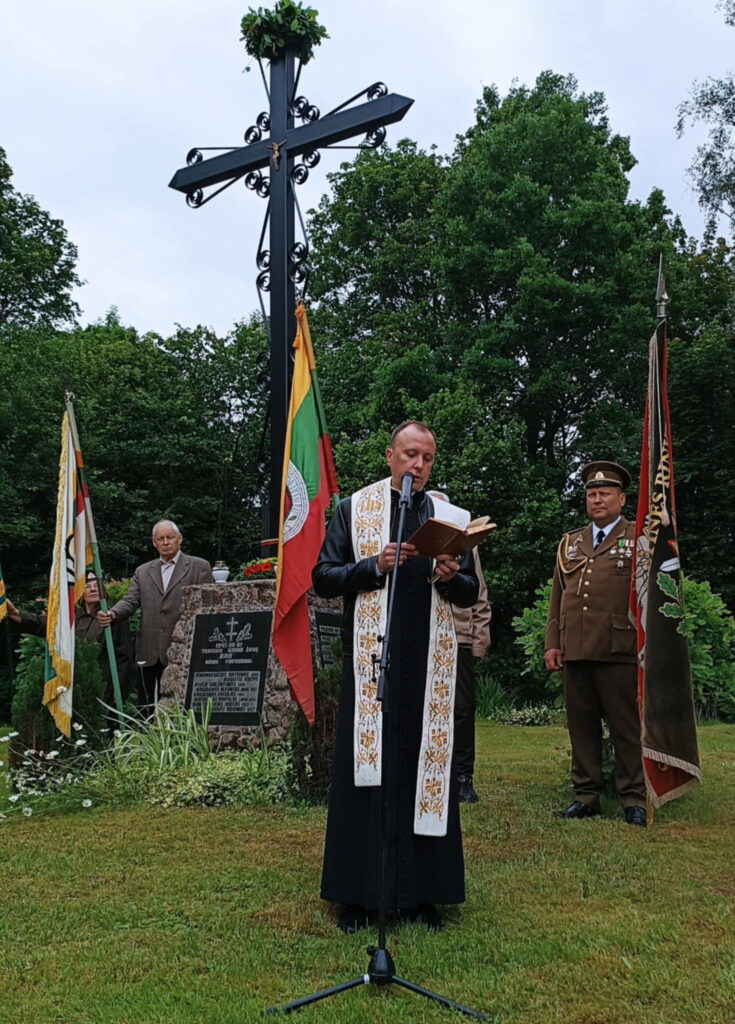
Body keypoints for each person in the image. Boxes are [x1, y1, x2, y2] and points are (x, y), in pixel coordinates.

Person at [312, 421, 479, 933]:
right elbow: (323, 578)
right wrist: (372, 566)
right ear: (389, 456)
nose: (418, 466)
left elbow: (471, 591)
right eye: (409, 455)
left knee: (420, 773)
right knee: (369, 778)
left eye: (427, 458)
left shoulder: (449, 516)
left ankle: (424, 894)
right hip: (370, 669)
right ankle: (359, 899)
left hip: (429, 667)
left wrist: (453, 577)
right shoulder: (353, 510)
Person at [544, 461, 646, 827]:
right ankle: (585, 795)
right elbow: (558, 596)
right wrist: (553, 642)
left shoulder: (639, 538)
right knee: (581, 727)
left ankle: (633, 798)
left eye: (604, 493)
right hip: (575, 648)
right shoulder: (571, 542)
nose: (597, 499)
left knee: (626, 728)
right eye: (591, 494)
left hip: (619, 647)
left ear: (621, 498)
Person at [97, 519, 212, 713]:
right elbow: (130, 600)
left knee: (184, 707)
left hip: (185, 649)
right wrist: (113, 613)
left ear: (179, 539)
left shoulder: (199, 567)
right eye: (161, 538)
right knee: (147, 709)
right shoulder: (143, 571)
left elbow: (207, 606)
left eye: (170, 537)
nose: (166, 542)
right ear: (154, 543)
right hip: (148, 651)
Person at [428, 492, 491, 805]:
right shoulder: (414, 545)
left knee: (462, 710)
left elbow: (478, 594)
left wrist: (478, 641)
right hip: (423, 635)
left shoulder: (465, 547)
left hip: (458, 637)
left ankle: (463, 778)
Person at [6, 571, 135, 706]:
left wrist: (119, 691)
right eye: (87, 586)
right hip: (73, 683)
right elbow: (44, 625)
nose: (93, 589)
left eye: (97, 585)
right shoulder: (71, 618)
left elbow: (124, 657)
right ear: (80, 592)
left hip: (104, 686)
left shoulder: (112, 618)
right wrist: (15, 613)